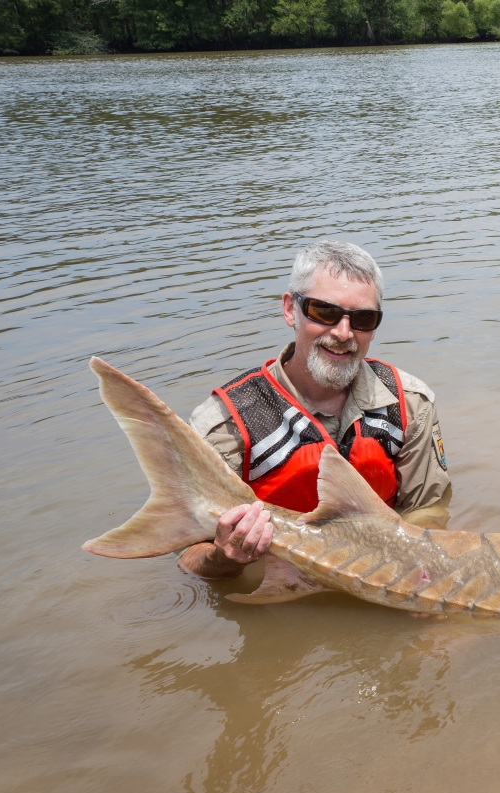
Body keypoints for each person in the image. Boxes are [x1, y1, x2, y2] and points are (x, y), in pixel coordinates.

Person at [179, 240, 452, 579]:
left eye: (363, 318)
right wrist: (225, 558)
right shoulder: (223, 425)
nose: (343, 333)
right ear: (290, 309)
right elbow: (188, 556)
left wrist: (416, 574)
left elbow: (428, 512)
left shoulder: (410, 403)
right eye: (324, 312)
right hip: (280, 588)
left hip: (383, 577)